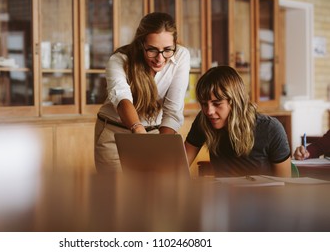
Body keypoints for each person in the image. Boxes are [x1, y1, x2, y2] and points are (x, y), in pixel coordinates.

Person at [94, 12, 190, 173]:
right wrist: (138, 129)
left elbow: (173, 110)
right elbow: (122, 98)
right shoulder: (119, 60)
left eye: (167, 50)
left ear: (174, 44)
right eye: (152, 50)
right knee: (117, 195)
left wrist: (161, 150)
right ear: (141, 44)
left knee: (153, 193)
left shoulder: (181, 56)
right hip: (114, 135)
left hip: (154, 134)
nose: (160, 59)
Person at [184, 66, 291, 177]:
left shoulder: (270, 129)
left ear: (235, 102)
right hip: (222, 193)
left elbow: (285, 185)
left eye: (217, 104)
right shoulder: (204, 121)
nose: (209, 111)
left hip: (262, 194)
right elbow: (180, 165)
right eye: (204, 104)